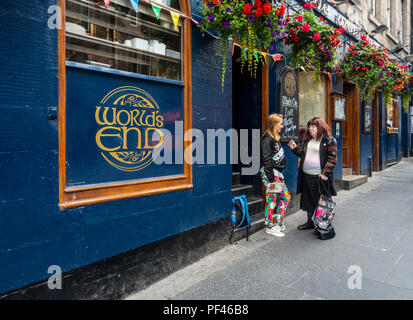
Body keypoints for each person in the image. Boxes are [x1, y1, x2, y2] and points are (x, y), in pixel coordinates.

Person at [287, 117, 337, 230]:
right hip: (306, 174)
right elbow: (302, 154)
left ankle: (321, 224)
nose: (310, 128)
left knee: (320, 201)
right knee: (308, 199)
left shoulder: (329, 140)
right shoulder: (307, 140)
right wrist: (294, 148)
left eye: (314, 126)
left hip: (319, 177)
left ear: (320, 127)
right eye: (309, 126)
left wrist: (325, 173)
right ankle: (310, 222)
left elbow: (332, 159)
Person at [260, 114, 291, 238]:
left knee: (286, 197)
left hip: (277, 174)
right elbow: (266, 160)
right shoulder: (266, 140)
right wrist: (271, 179)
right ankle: (270, 226)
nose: (282, 126)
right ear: (274, 125)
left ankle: (278, 221)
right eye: (280, 124)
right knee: (271, 200)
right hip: (271, 174)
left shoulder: (275, 138)